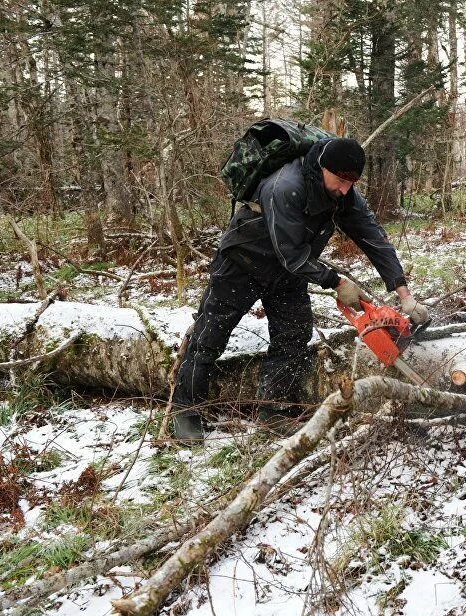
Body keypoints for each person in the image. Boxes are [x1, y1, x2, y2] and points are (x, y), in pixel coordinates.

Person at [172, 136, 429, 440]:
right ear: (322, 167)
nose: (345, 189)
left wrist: (404, 294)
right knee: (209, 336)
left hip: (287, 272)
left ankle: (274, 410)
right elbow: (290, 252)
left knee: (294, 334)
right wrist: (336, 282)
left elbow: (373, 237)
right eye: (341, 180)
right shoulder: (285, 186)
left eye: (352, 182)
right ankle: (185, 411)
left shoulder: (344, 194)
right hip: (242, 263)